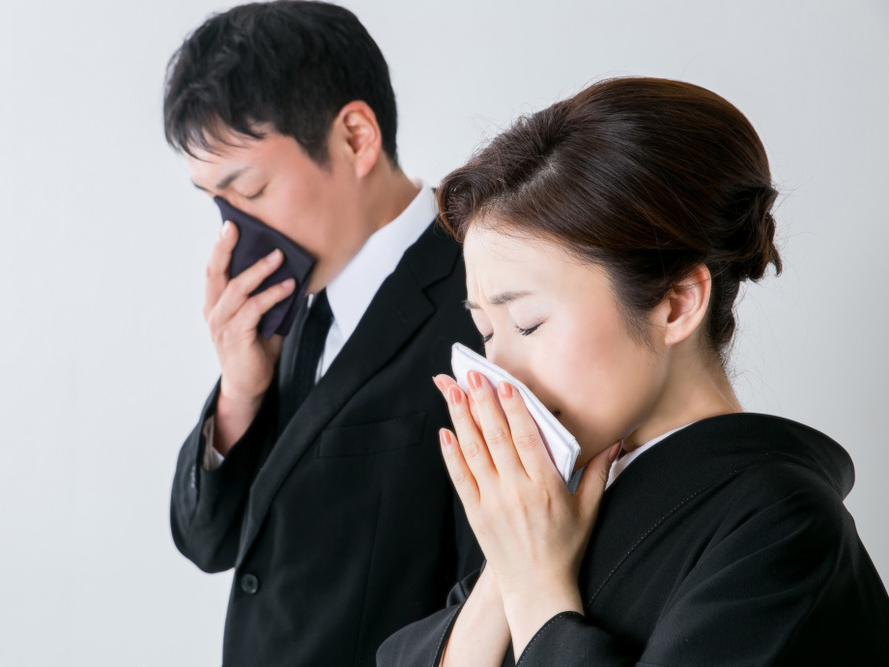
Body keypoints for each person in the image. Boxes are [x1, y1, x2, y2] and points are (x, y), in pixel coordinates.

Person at [377, 77, 889, 666]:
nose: (502, 374)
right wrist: (507, 570)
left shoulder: (785, 526)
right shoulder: (550, 510)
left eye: (528, 323)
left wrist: (536, 588)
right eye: (486, 333)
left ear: (676, 305)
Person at [164, 2, 482, 664]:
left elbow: (486, 597)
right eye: (216, 201)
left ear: (356, 139)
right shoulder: (290, 305)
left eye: (249, 189)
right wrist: (240, 393)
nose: (233, 231)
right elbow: (208, 541)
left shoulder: (483, 304)